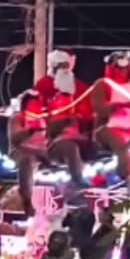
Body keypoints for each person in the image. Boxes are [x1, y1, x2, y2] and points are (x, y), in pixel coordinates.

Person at [90, 51, 130, 191]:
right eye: (118, 68)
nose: (122, 71)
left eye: (125, 68)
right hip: (108, 128)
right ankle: (129, 179)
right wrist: (117, 106)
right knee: (121, 145)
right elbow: (99, 108)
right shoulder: (102, 84)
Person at [34, 50, 92, 197]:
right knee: (69, 147)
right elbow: (39, 118)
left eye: (67, 66)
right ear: (53, 67)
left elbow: (89, 111)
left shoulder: (79, 87)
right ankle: (76, 181)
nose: (65, 70)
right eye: (62, 66)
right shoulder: (43, 87)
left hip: (78, 135)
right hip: (54, 141)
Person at [8, 88, 49, 216]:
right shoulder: (16, 118)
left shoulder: (43, 119)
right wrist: (30, 131)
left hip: (41, 152)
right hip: (21, 151)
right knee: (26, 159)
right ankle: (27, 199)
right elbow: (15, 139)